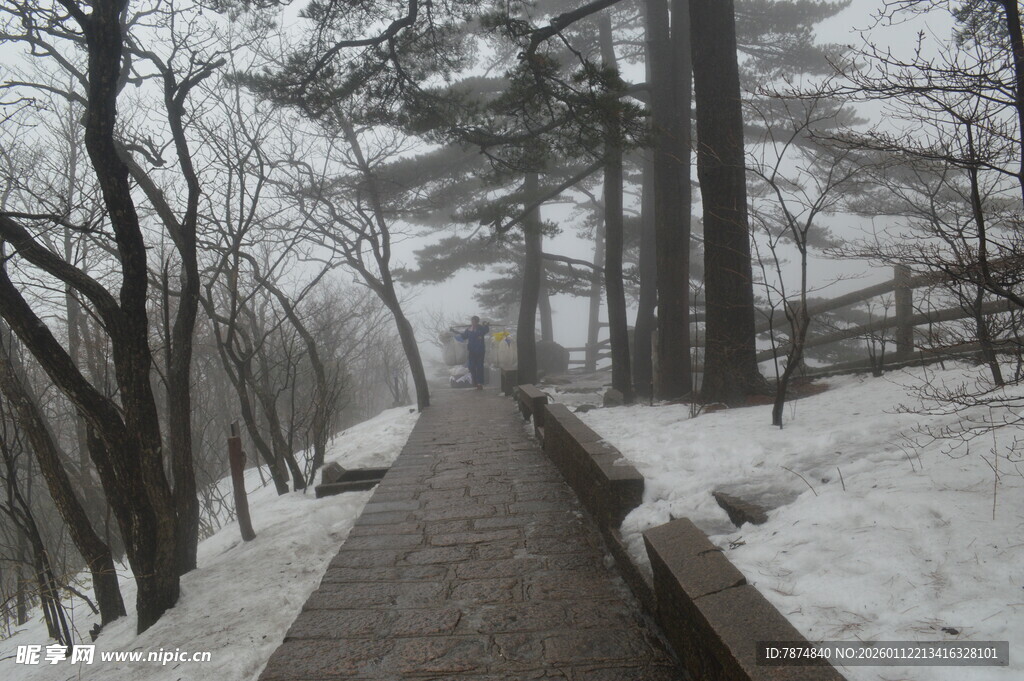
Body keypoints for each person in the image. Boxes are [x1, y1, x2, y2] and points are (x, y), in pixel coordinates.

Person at [454, 316, 490, 390]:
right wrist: (454, 331)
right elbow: (464, 336)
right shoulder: (469, 329)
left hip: (480, 351)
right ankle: (475, 381)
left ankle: (480, 383)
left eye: (474, 321)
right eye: (472, 321)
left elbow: (486, 330)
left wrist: (486, 324)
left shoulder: (481, 328)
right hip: (471, 351)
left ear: (477, 322)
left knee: (480, 367)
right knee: (471, 367)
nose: (473, 323)